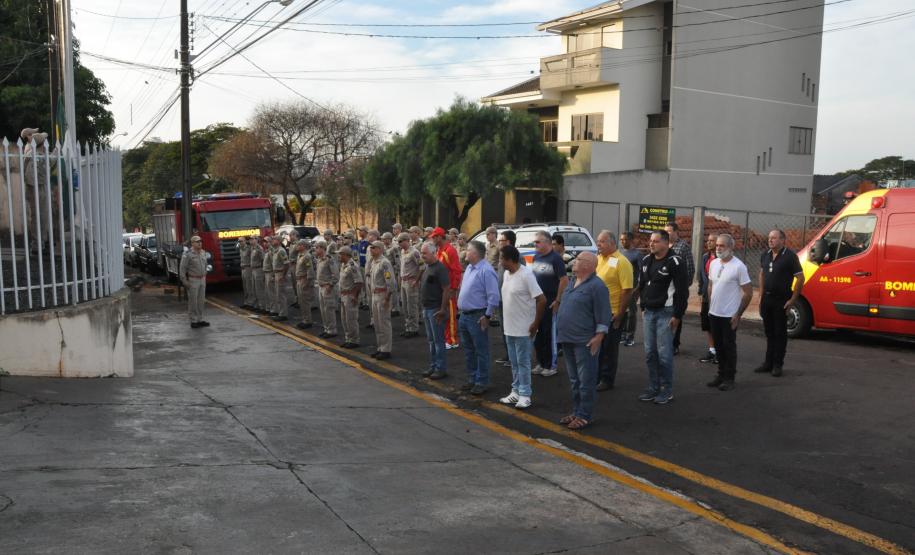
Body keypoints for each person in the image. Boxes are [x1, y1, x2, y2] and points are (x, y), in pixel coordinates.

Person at [555, 252, 609, 430]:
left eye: (578, 260)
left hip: (584, 341)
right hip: (568, 339)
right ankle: (577, 411)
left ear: (588, 265)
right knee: (574, 380)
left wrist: (598, 337)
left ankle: (585, 415)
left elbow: (603, 315)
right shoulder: (572, 282)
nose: (574, 262)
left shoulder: (597, 286)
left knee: (586, 380)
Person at [635, 230, 689, 405]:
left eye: (656, 241)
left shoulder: (675, 262)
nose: (651, 244)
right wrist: (643, 306)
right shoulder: (645, 260)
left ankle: (667, 390)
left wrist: (677, 315)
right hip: (649, 313)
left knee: (664, 354)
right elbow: (642, 286)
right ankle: (653, 387)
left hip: (666, 313)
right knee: (650, 353)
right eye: (651, 241)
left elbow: (682, 291)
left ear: (666, 243)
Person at [498, 244, 546, 410]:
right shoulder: (506, 274)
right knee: (514, 362)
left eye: (501, 259)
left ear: (510, 259)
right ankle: (516, 391)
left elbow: (542, 300)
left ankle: (525, 394)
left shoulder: (526, 275)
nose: (500, 262)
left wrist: (535, 323)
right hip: (509, 327)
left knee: (523, 362)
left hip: (524, 328)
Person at [705, 234, 753, 391]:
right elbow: (711, 285)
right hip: (714, 313)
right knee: (718, 346)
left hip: (729, 315)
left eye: (722, 246)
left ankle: (729, 378)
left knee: (728, 346)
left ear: (731, 248)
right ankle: (720, 375)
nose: (718, 248)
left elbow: (748, 293)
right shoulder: (713, 264)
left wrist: (738, 314)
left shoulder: (739, 266)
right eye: (717, 245)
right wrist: (710, 305)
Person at [755, 229, 804, 377]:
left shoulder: (790, 256)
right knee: (769, 332)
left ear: (783, 240)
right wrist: (760, 295)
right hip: (767, 299)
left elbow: (800, 278)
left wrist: (793, 299)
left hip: (781, 300)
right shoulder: (765, 255)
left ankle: (777, 365)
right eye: (769, 238)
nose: (770, 240)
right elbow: (762, 274)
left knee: (780, 333)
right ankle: (767, 363)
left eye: (774, 238)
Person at [456, 240, 500, 395]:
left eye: (468, 250)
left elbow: (494, 296)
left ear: (475, 254)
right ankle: (473, 378)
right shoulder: (469, 267)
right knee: (469, 350)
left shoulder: (486, 270)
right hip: (465, 316)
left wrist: (487, 316)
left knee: (481, 350)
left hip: (477, 315)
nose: (465, 252)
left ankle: (482, 381)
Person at [594, 230, 634, 391]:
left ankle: (607, 379)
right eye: (598, 241)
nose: (598, 244)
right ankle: (596, 376)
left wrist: (620, 314)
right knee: (596, 347)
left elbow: (627, 290)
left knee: (609, 348)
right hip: (597, 312)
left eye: (602, 242)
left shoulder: (621, 262)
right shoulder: (598, 260)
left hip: (613, 312)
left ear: (612, 243)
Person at [530, 230, 568, 378]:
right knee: (537, 334)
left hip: (550, 303)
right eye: (535, 242)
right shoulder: (536, 257)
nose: (535, 244)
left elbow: (564, 280)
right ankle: (541, 363)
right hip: (537, 303)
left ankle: (551, 365)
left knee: (549, 334)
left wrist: (558, 300)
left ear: (546, 242)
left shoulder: (556, 259)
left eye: (538, 242)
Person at [419, 241, 451, 380]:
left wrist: (443, 309)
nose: (422, 255)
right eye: (422, 253)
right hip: (427, 308)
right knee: (431, 340)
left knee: (438, 341)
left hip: (435, 309)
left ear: (433, 253)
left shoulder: (440, 268)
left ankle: (440, 368)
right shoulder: (427, 267)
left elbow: (446, 289)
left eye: (424, 253)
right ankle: (433, 366)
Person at [664, 223, 694, 355]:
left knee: (676, 315)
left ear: (676, 232)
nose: (667, 234)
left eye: (669, 231)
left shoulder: (683, 247)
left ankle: (674, 344)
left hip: (678, 289)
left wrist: (683, 287)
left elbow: (690, 268)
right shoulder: (663, 245)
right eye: (665, 231)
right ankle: (664, 342)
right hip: (665, 289)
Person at [431, 227, 463, 350]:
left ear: (440, 237)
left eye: (434, 237)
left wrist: (453, 289)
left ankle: (453, 340)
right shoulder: (440, 250)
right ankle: (447, 338)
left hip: (449, 289)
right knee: (444, 315)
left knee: (450, 315)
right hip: (442, 289)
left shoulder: (450, 251)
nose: (433, 239)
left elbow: (456, 271)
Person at [368, 240, 396, 359]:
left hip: (382, 295)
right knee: (377, 324)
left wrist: (387, 298)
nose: (371, 249)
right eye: (371, 247)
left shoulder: (384, 263)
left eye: (373, 247)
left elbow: (390, 283)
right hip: (375, 295)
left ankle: (386, 349)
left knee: (384, 323)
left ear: (380, 249)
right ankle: (380, 347)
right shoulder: (374, 262)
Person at [697, 233, 719, 363]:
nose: (709, 242)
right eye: (708, 240)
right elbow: (701, 276)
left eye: (712, 240)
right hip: (706, 296)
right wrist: (700, 292)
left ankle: (720, 352)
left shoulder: (721, 259)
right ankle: (712, 350)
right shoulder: (705, 257)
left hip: (718, 297)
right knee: (708, 325)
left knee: (717, 325)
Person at [180, 235, 210, 328]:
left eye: (200, 241)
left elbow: (206, 265)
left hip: (202, 279)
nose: (200, 243)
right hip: (193, 280)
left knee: (201, 300)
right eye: (197, 242)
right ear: (192, 243)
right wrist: (184, 281)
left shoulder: (203, 252)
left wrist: (205, 273)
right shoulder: (188, 254)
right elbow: (182, 268)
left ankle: (200, 319)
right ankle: (193, 320)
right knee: (193, 301)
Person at [398, 232, 423, 338]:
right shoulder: (403, 251)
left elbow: (422, 267)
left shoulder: (415, 252)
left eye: (401, 241)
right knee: (405, 306)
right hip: (404, 281)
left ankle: (414, 328)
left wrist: (416, 281)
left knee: (412, 305)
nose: (399, 244)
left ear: (407, 241)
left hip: (411, 281)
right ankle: (408, 327)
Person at [337, 246, 363, 348]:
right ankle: (348, 338)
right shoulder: (343, 265)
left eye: (340, 254)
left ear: (345, 255)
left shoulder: (352, 266)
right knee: (344, 319)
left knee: (351, 319)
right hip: (343, 294)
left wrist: (354, 296)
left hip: (349, 295)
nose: (339, 256)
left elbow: (359, 282)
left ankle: (354, 340)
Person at [618, 232, 641, 347]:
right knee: (622, 311)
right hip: (621, 287)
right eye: (621, 240)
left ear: (631, 240)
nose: (622, 242)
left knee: (631, 312)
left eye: (625, 240)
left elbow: (643, 272)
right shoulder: (620, 252)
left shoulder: (637, 254)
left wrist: (638, 289)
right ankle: (622, 334)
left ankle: (630, 336)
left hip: (632, 287)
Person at [315, 241, 339, 338]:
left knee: (329, 309)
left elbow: (336, 275)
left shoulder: (329, 259)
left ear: (322, 248)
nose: (315, 250)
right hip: (321, 287)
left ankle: (332, 330)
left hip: (327, 287)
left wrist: (330, 285)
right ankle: (327, 329)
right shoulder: (319, 259)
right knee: (323, 309)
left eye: (317, 248)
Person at [294, 239, 316, 330]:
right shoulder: (300, 255)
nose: (297, 246)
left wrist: (308, 282)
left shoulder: (307, 256)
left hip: (304, 280)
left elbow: (309, 270)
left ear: (303, 246)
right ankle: (304, 319)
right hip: (299, 280)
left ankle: (308, 321)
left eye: (299, 245)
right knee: (301, 302)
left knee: (305, 302)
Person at [271, 235, 290, 322]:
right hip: (276, 273)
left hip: (280, 274)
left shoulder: (281, 251)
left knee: (281, 295)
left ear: (278, 241)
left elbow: (286, 264)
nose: (272, 241)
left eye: (274, 240)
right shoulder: (275, 251)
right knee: (278, 294)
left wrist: (283, 275)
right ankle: (280, 312)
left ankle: (283, 314)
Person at [382, 232, 401, 316]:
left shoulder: (394, 248)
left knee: (393, 289)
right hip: (385, 271)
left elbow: (397, 261)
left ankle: (395, 308)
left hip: (393, 270)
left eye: (384, 238)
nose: (383, 240)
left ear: (389, 239)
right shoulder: (383, 247)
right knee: (388, 289)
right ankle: (390, 307)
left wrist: (396, 272)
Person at [249, 236, 267, 314]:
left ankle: (262, 306)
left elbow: (263, 259)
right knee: (254, 289)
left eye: (252, 239)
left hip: (258, 269)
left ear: (256, 240)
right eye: (250, 239)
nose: (250, 241)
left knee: (260, 289)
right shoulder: (252, 248)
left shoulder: (259, 249)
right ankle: (258, 305)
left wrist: (262, 270)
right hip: (253, 270)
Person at [262, 236, 276, 317]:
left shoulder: (271, 251)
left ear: (270, 242)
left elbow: (273, 264)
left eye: (266, 242)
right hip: (266, 272)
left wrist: (273, 275)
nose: (264, 243)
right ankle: (270, 308)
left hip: (270, 273)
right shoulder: (266, 251)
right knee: (267, 292)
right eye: (264, 242)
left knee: (272, 293)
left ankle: (274, 309)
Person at [238, 236, 253, 309]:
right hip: (243, 269)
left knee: (249, 286)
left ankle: (251, 303)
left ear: (245, 241)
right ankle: (246, 302)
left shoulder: (249, 249)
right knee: (245, 287)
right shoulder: (241, 249)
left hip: (248, 268)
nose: (240, 243)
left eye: (241, 241)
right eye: (239, 241)